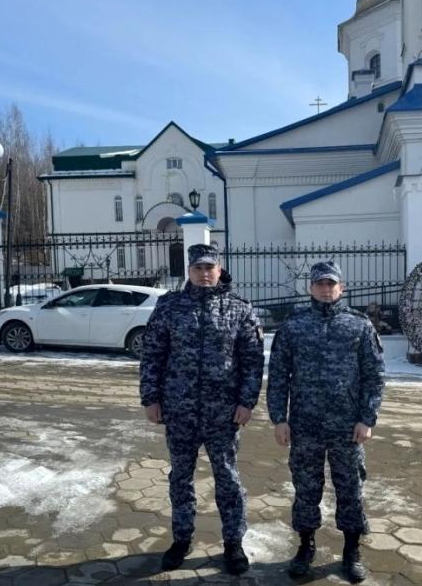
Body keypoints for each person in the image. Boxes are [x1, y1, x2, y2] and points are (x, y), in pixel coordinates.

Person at [140, 243, 264, 575]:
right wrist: (150, 398)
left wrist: (246, 402)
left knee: (228, 478)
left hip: (222, 414)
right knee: (180, 477)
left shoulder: (239, 309)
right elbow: (152, 354)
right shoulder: (169, 307)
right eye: (198, 268)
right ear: (189, 271)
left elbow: (252, 361)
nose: (204, 273)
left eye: (210, 267)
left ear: (220, 269)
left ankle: (233, 543)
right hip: (178, 410)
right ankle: (182, 539)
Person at [267, 261, 385, 583]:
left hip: (347, 428)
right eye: (319, 284)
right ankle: (306, 547)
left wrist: (366, 418)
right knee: (306, 488)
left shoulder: (359, 326)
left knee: (350, 488)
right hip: (304, 426)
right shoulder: (293, 326)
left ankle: (351, 550)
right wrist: (279, 418)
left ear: (341, 288)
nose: (325, 289)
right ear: (310, 288)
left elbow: (374, 377)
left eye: (331, 284)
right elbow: (278, 376)